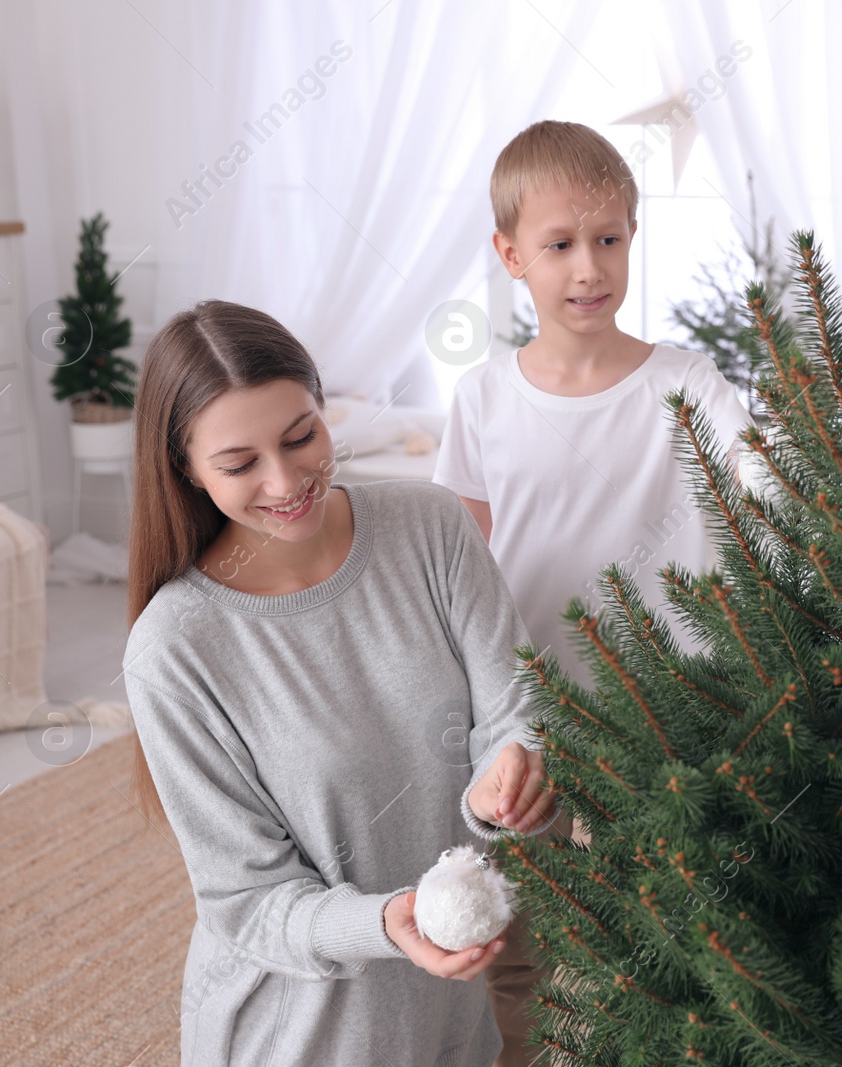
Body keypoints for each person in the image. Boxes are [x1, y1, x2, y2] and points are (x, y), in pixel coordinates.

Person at [122, 299, 556, 1066]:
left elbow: (514, 703)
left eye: (302, 437)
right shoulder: (174, 645)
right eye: (239, 463)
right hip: (295, 1037)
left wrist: (513, 765)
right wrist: (387, 921)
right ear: (184, 467)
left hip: (450, 1019)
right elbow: (247, 903)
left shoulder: (430, 527)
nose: (287, 480)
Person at [433, 119, 755, 1067]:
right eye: (561, 245)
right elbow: (463, 559)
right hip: (532, 710)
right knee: (524, 934)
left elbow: (767, 494)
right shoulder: (484, 397)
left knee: (667, 924)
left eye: (609, 238)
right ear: (510, 256)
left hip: (668, 710)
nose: (589, 267)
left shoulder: (687, 385)